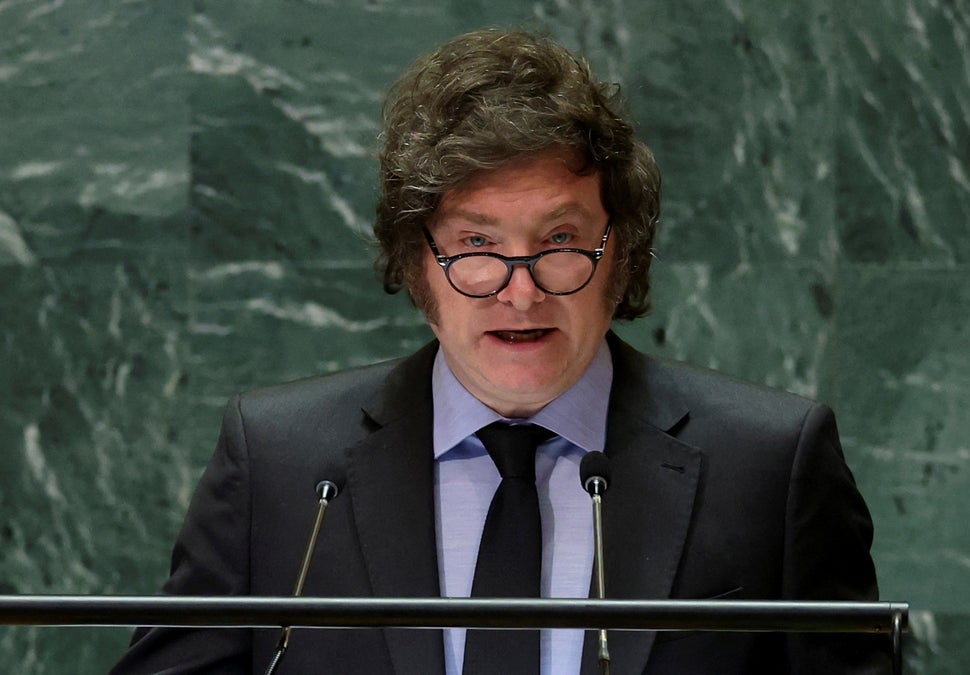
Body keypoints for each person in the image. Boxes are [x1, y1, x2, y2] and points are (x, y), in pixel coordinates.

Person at [112, 29, 887, 674]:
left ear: (620, 252)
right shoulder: (277, 463)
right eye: (477, 243)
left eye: (560, 240)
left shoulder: (771, 463)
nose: (521, 292)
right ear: (419, 261)